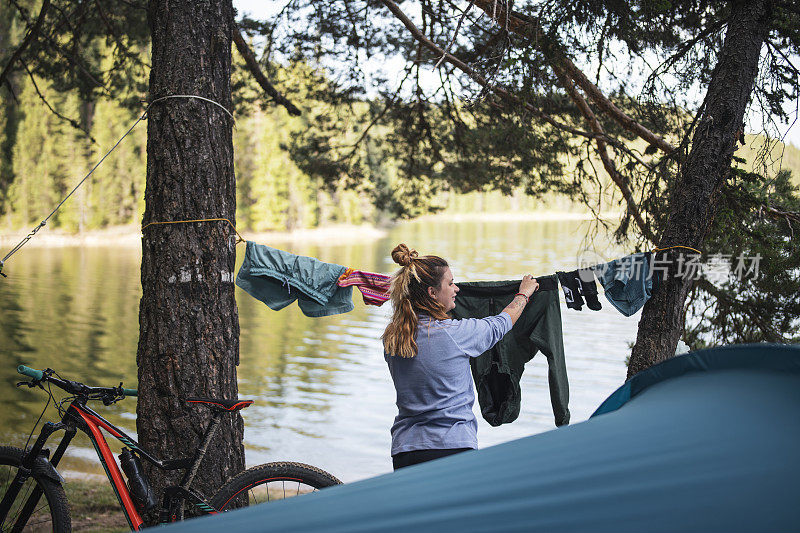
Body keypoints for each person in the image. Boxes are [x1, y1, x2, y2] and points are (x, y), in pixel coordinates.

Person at [382, 243, 539, 470]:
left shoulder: (393, 339)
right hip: (451, 447)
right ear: (432, 293)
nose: (456, 289)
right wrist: (524, 294)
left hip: (406, 450)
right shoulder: (454, 334)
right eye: (451, 283)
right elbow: (500, 323)